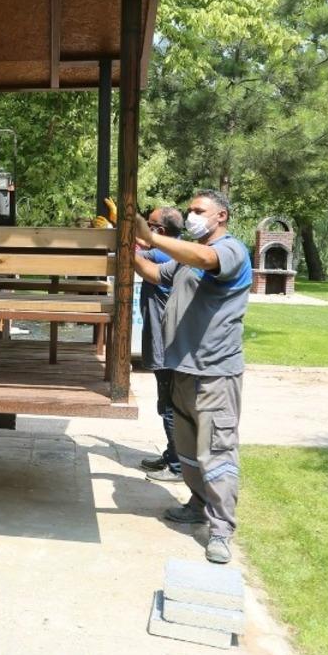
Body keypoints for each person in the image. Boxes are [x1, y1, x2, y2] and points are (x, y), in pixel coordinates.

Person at [132, 189, 251, 564]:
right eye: (189, 210)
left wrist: (152, 239)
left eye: (199, 210)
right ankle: (198, 505)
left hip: (215, 373)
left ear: (221, 216)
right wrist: (126, 247)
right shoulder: (187, 258)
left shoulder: (229, 251)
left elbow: (206, 259)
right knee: (188, 450)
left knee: (217, 451)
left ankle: (221, 530)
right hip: (182, 368)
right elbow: (154, 272)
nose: (192, 215)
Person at [137, 206, 185, 483]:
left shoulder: (163, 254)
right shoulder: (176, 249)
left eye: (149, 223)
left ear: (160, 231)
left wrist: (117, 233)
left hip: (167, 344)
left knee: (170, 405)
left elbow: (132, 254)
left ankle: (178, 466)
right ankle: (171, 455)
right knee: (167, 401)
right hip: (167, 341)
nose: (146, 227)